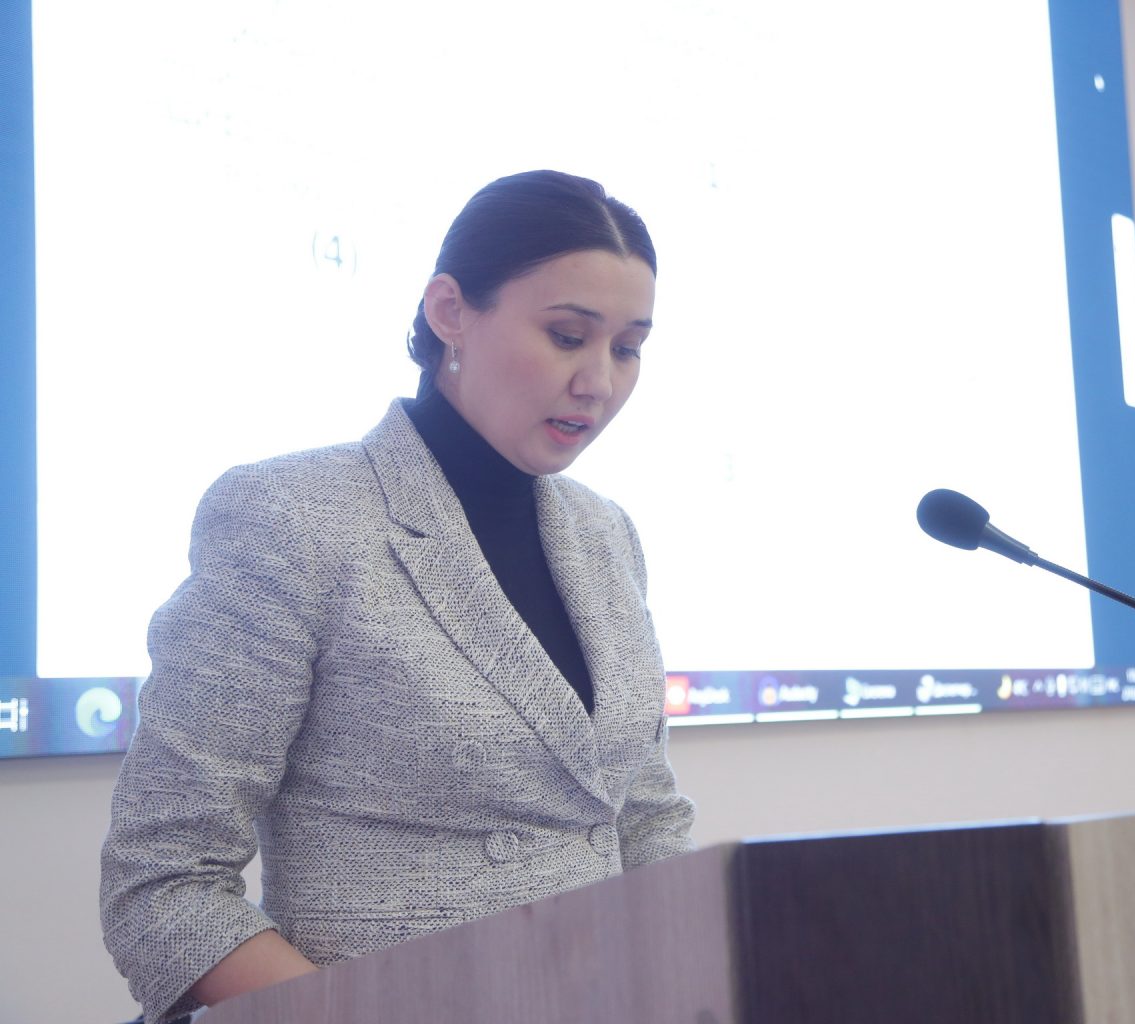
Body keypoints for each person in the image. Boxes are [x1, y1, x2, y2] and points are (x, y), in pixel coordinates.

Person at [100, 170, 696, 1024]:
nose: (599, 381)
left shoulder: (607, 534)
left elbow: (644, 823)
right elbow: (165, 884)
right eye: (568, 336)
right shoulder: (293, 516)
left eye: (628, 348)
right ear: (449, 310)